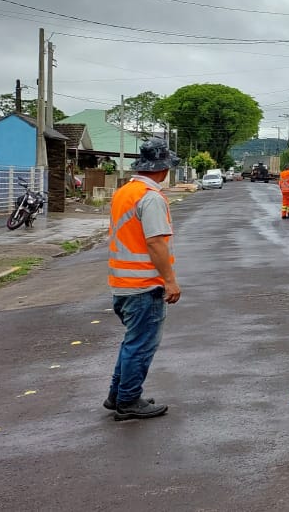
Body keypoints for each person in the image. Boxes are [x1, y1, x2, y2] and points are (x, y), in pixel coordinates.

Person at [104, 137, 181, 421]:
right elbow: (156, 243)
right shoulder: (151, 198)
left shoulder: (125, 192)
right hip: (144, 286)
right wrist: (170, 281)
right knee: (141, 345)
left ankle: (118, 394)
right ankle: (128, 400)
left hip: (123, 284)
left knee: (132, 342)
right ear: (163, 169)